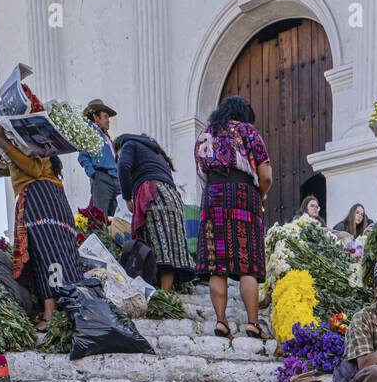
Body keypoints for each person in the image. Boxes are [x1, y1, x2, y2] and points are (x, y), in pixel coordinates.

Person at [0, 120, 82, 330]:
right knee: (45, 253)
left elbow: (34, 170)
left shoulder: (34, 145)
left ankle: (51, 314)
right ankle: (62, 309)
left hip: (42, 199)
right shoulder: (17, 148)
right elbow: (15, 167)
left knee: (48, 253)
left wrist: (2, 141)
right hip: (47, 200)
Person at [194, 96, 273, 339]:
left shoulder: (205, 135)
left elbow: (200, 174)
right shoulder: (247, 131)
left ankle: (221, 322)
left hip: (214, 195)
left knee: (217, 265)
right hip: (243, 196)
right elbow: (266, 175)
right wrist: (260, 195)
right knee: (247, 261)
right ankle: (252, 323)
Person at [114, 132, 193, 292]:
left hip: (153, 194)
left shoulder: (129, 144)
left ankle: (162, 294)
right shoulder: (156, 151)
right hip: (172, 196)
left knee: (158, 245)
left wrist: (128, 198)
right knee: (170, 245)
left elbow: (123, 167)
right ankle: (167, 291)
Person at [78, 101, 119, 217]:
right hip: (102, 177)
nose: (108, 120)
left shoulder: (106, 137)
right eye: (105, 116)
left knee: (117, 217)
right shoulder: (90, 133)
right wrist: (94, 174)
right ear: (96, 117)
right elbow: (83, 156)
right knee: (101, 216)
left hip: (115, 178)